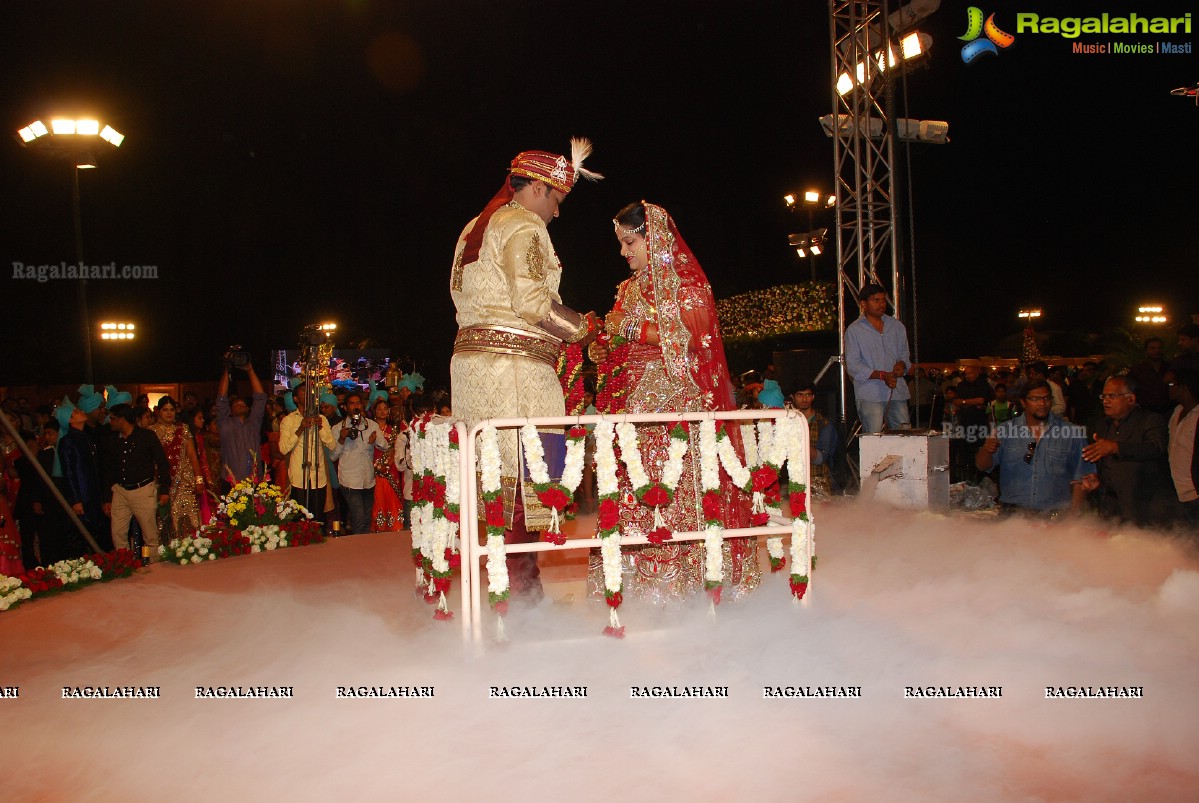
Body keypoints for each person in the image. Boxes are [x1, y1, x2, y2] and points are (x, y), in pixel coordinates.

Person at [449, 139, 602, 602]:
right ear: (537, 188)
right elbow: (533, 304)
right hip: (514, 373)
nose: (556, 213)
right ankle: (522, 600)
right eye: (556, 200)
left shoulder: (472, 227)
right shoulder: (523, 225)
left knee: (492, 480)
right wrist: (588, 329)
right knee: (524, 484)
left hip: (474, 372)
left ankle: (499, 595)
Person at [588, 200, 758, 603]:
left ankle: (688, 580)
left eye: (630, 242)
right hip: (633, 407)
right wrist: (602, 343)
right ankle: (634, 581)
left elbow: (693, 336)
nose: (623, 252)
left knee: (677, 484)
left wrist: (630, 328)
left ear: (655, 239)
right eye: (622, 244)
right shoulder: (627, 288)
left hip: (677, 403)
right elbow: (620, 338)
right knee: (633, 484)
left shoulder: (687, 287)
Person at [976, 381, 1095, 517]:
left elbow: (1082, 477)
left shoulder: (1072, 433)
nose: (1042, 404)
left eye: (1046, 398)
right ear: (1023, 402)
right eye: (1035, 399)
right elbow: (982, 466)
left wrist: (1073, 517)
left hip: (1056, 514)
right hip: (1013, 515)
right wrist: (986, 450)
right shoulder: (1005, 431)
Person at [1083, 376, 1175, 527]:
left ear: (1131, 399)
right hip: (1112, 510)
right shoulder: (1102, 425)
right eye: (1103, 396)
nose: (1106, 401)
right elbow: (1109, 465)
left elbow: (1155, 447)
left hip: (1146, 508)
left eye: (1112, 396)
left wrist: (1116, 447)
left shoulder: (1151, 420)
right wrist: (1099, 481)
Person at [101, 403, 171, 557]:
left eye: (112, 419)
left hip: (143, 489)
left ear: (122, 420)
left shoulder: (146, 437)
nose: (110, 422)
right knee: (118, 533)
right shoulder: (112, 440)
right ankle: (125, 564)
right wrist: (107, 498)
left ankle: (153, 567)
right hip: (120, 491)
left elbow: (162, 462)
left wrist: (164, 489)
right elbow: (108, 469)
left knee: (150, 535)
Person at [845, 282, 911, 433]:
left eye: (883, 300)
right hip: (870, 394)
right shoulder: (854, 330)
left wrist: (902, 365)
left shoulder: (896, 326)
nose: (881, 304)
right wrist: (882, 375)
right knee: (873, 440)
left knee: (904, 437)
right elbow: (853, 365)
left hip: (897, 391)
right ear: (863, 304)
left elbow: (904, 355)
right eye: (876, 300)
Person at [149, 396, 204, 540]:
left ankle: (191, 547)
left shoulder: (183, 429)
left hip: (185, 480)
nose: (169, 413)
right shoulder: (151, 432)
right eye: (165, 410)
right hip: (163, 482)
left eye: (172, 410)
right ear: (158, 412)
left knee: (187, 514)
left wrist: (199, 480)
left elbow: (192, 456)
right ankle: (168, 550)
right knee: (165, 518)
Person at [278, 382, 335, 515]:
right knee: (299, 519)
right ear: (295, 398)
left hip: (318, 477)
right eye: (304, 391)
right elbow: (283, 449)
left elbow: (332, 445)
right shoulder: (289, 420)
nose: (308, 394)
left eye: (311, 392)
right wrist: (300, 429)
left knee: (317, 517)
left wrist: (320, 428)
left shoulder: (322, 419)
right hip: (298, 477)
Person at [328, 391, 381, 535]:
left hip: (368, 479)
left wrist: (375, 439)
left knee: (366, 519)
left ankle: (363, 551)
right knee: (358, 519)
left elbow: (385, 446)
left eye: (358, 403)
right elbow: (332, 456)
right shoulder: (338, 428)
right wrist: (341, 439)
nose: (355, 406)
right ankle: (360, 551)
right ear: (345, 407)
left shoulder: (371, 425)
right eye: (351, 403)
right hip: (350, 480)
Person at [215, 353, 267, 489]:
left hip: (255, 480)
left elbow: (260, 398)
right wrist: (227, 369)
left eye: (242, 404)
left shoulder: (254, 423)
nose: (239, 404)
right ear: (230, 410)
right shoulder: (225, 424)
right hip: (230, 481)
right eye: (236, 404)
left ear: (248, 409)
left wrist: (250, 370)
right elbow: (221, 398)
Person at [791, 382, 839, 499]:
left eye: (808, 395)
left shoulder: (824, 423)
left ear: (813, 397)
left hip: (819, 480)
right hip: (794, 480)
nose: (804, 399)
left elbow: (820, 458)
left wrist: (798, 441)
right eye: (800, 395)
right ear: (792, 397)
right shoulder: (788, 421)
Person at [1166, 370, 1199, 526]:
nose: (1168, 388)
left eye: (1171, 385)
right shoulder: (1176, 412)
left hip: (1194, 492)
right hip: (1177, 491)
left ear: (1184, 388)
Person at [369, 395, 403, 532]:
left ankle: (395, 525)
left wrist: (387, 465)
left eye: (385, 409)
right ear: (374, 411)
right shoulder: (370, 429)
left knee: (392, 498)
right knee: (377, 498)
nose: (382, 411)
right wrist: (378, 466)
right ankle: (378, 526)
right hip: (374, 468)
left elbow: (396, 449)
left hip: (391, 469)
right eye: (379, 409)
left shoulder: (394, 430)